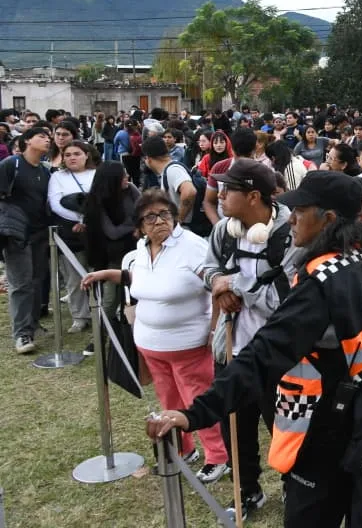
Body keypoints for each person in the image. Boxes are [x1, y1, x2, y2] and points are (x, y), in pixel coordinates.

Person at [145, 172, 362, 526]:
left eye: (300, 211)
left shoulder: (322, 281)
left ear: (327, 219)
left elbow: (265, 353)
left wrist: (195, 414)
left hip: (326, 430)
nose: (291, 218)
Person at [83, 190, 229, 482]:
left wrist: (214, 328)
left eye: (165, 214)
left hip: (189, 345)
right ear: (139, 226)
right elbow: (138, 279)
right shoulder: (141, 248)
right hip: (150, 345)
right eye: (150, 217)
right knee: (168, 399)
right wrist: (106, 274)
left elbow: (217, 284)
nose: (160, 221)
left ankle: (217, 456)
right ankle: (183, 448)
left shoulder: (192, 246)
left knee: (198, 400)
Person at [201, 159, 301, 519]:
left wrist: (236, 286)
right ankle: (246, 490)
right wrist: (217, 283)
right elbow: (208, 267)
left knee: (284, 428)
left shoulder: (291, 234)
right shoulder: (224, 230)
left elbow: (283, 298)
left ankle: (294, 486)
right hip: (231, 348)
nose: (219, 196)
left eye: (228, 190)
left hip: (277, 353)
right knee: (235, 428)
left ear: (254, 196)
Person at [1, 127, 53, 353]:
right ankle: (22, 334)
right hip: (16, 234)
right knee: (20, 284)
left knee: (36, 281)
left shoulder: (45, 171)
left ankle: (31, 324)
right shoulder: (11, 164)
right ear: (27, 141)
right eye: (42, 136)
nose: (47, 140)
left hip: (40, 233)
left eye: (49, 137)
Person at [82, 161, 140, 351]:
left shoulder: (131, 190)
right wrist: (135, 225)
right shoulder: (97, 202)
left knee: (134, 295)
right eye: (123, 175)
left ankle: (133, 336)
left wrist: (138, 225)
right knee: (110, 299)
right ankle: (98, 337)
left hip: (135, 251)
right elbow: (112, 232)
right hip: (111, 256)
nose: (127, 178)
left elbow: (143, 210)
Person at [47, 140, 98, 333]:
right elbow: (56, 203)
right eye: (67, 155)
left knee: (97, 272)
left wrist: (87, 220)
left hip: (95, 230)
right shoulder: (57, 177)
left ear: (86, 155)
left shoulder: (96, 174)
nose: (72, 158)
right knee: (74, 277)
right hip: (69, 231)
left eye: (76, 154)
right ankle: (80, 316)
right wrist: (78, 219)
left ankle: (100, 311)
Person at [142, 135, 198, 228]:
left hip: (187, 227)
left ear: (148, 159)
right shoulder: (167, 171)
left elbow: (189, 192)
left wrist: (178, 221)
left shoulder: (172, 170)